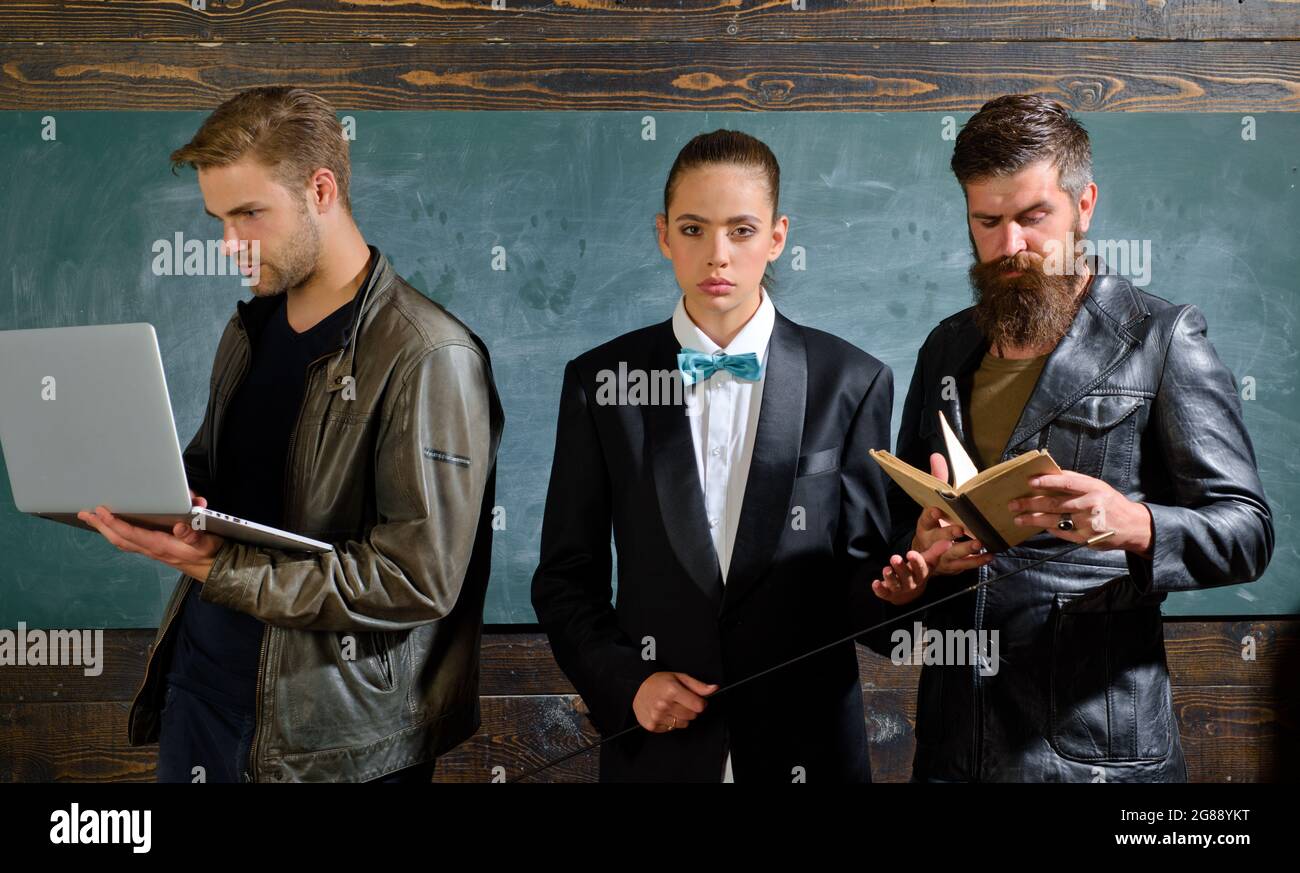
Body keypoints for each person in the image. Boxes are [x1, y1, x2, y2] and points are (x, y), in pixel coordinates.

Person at [79, 86, 504, 782]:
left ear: (321, 189)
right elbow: (227, 477)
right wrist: (162, 496)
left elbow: (414, 581)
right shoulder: (251, 327)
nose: (229, 244)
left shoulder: (432, 355)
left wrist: (217, 569)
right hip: (201, 691)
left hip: (334, 738)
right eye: (219, 219)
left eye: (249, 214)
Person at [871, 94, 1274, 782]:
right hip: (954, 750)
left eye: (1033, 217)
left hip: (1097, 756)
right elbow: (902, 532)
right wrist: (917, 562)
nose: (1010, 246)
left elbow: (1248, 532)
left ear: (1084, 205)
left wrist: (1135, 522)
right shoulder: (946, 345)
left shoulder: (1163, 337)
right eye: (987, 221)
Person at [532, 129, 913, 782]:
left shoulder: (852, 380)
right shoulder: (601, 382)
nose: (717, 255)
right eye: (693, 228)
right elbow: (566, 576)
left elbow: (862, 583)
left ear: (777, 236)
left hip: (810, 750)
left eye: (741, 230)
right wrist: (629, 682)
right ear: (662, 236)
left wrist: (903, 587)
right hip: (659, 754)